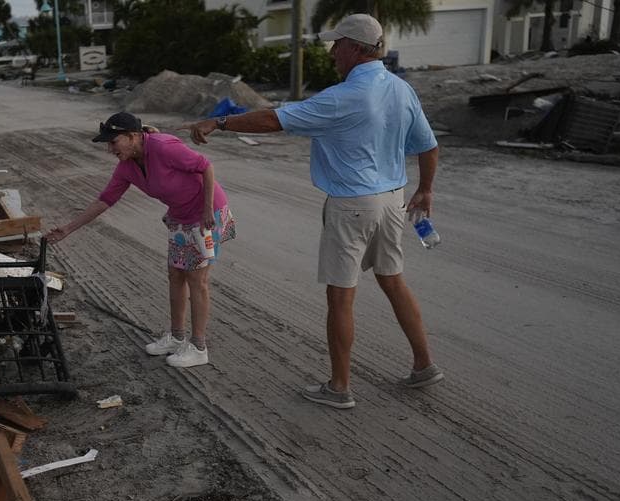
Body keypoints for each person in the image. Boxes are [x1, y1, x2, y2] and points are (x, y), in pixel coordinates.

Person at [186, 13, 442, 409]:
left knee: (340, 297)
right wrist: (424, 189)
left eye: (337, 44)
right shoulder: (400, 88)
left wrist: (219, 122)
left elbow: (273, 120)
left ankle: (339, 387)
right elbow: (428, 144)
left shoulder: (341, 97)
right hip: (392, 199)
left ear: (354, 48)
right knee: (393, 281)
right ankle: (424, 364)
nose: (332, 51)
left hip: (353, 205)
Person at [44, 112, 236, 368]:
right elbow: (105, 200)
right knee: (175, 274)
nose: (110, 149)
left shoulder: (163, 147)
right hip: (180, 216)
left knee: (196, 278)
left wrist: (207, 210)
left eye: (114, 142)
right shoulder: (127, 167)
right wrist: (68, 229)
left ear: (133, 136)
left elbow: (206, 166)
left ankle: (199, 347)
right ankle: (177, 337)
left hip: (205, 215)